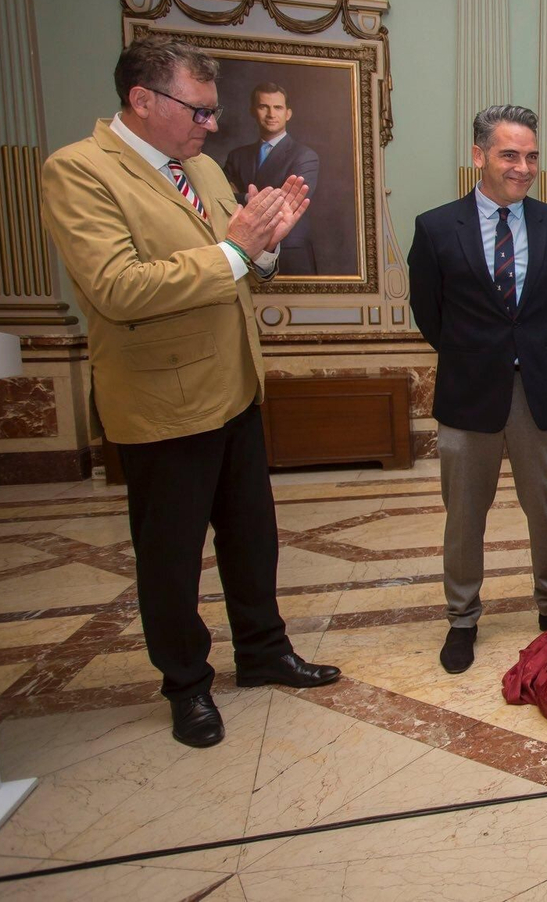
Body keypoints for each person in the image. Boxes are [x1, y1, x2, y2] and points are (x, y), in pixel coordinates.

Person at [38, 36, 340, 749]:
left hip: (234, 385)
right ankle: (186, 685)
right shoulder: (79, 172)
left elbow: (235, 259)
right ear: (143, 101)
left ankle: (264, 654)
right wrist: (236, 250)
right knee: (170, 556)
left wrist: (263, 247)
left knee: (252, 537)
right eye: (200, 111)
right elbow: (116, 289)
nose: (212, 126)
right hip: (161, 402)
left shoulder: (198, 168)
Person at [408, 105, 547, 674]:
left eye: (532, 156)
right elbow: (429, 315)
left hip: (539, 393)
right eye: (511, 155)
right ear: (479, 156)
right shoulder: (436, 227)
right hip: (469, 395)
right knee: (464, 515)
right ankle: (462, 618)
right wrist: (476, 357)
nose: (524, 166)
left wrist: (530, 354)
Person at [223, 83, 322, 275]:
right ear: (253, 111)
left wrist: (242, 197)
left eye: (277, 107)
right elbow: (222, 196)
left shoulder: (304, 156)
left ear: (288, 113)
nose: (270, 113)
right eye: (263, 107)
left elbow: (287, 203)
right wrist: (246, 198)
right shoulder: (237, 156)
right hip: (242, 250)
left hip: (290, 252)